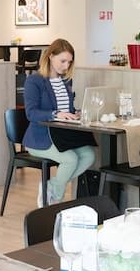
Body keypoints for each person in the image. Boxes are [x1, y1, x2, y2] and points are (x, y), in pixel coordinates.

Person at [23, 38, 96, 206]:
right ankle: (56, 200)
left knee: (89, 155)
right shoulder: (34, 81)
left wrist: (74, 113)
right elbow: (31, 113)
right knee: (70, 159)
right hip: (40, 138)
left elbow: (66, 109)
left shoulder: (66, 81)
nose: (66, 66)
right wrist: (55, 114)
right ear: (50, 56)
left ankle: (51, 186)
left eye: (69, 62)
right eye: (63, 61)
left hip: (62, 136)